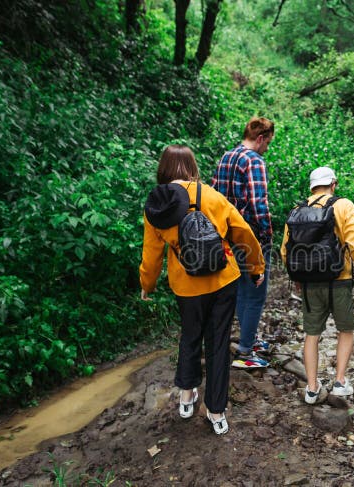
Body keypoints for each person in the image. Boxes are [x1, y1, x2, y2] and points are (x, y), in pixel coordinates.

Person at [140, 145, 265, 435]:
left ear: (164, 168)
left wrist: (148, 283)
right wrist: (256, 267)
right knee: (218, 343)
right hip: (223, 279)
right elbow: (242, 230)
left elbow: (151, 253)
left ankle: (187, 397)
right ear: (191, 166)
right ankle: (217, 412)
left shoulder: (157, 205)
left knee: (190, 335)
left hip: (186, 285)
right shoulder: (211, 195)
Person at [280, 166, 354, 404]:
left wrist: (299, 278)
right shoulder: (343, 205)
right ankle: (340, 381)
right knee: (345, 330)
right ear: (333, 183)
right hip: (339, 279)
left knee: (311, 334)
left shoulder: (297, 210)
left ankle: (312, 388)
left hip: (310, 283)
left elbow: (285, 250)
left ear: (311, 187)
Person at [212, 117, 275, 369]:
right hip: (251, 237)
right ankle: (246, 352)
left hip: (227, 235)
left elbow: (215, 197)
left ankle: (247, 339)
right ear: (260, 138)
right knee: (256, 294)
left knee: (240, 289)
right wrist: (267, 235)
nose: (267, 148)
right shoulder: (254, 161)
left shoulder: (226, 157)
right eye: (268, 143)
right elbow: (259, 204)